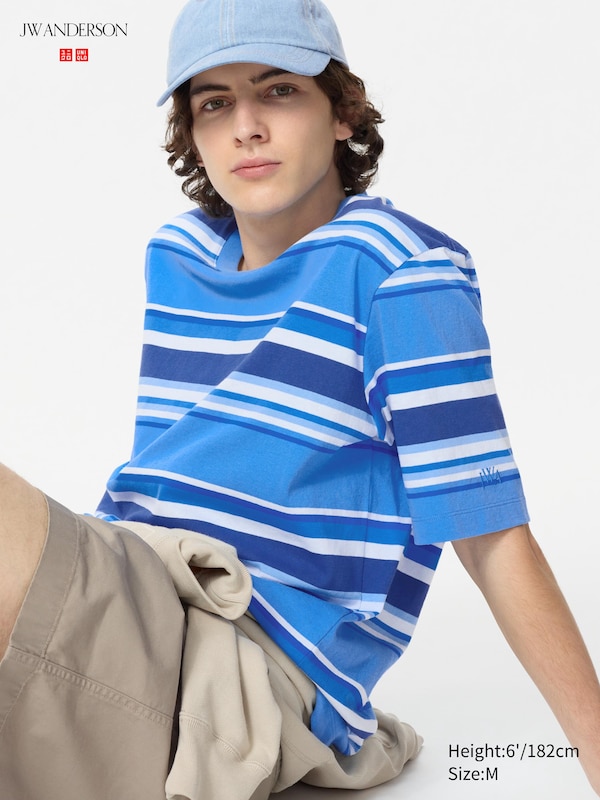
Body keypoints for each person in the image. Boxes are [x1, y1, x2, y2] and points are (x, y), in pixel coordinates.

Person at [1, 0, 599, 798]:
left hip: (251, 663)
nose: (247, 127)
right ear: (192, 135)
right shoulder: (178, 256)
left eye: (278, 90)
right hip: (141, 589)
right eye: (214, 103)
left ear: (342, 113)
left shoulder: (398, 273)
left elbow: (490, 535)